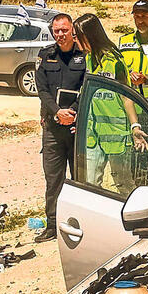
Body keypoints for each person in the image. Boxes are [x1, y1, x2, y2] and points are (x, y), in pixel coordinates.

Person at [35, 13, 88, 243]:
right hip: (53, 128)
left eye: (64, 30)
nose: (60, 35)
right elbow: (42, 90)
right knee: (53, 179)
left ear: (72, 30)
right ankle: (53, 225)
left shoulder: (84, 55)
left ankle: (83, 222)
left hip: (77, 128)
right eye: (56, 31)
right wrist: (57, 111)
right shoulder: (45, 55)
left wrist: (73, 113)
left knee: (81, 178)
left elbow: (87, 86)